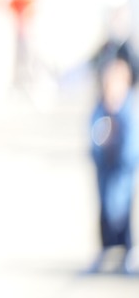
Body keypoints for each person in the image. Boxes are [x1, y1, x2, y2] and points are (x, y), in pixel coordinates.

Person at [87, 30, 139, 275]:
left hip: (122, 170)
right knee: (105, 212)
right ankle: (107, 249)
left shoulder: (128, 111)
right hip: (105, 170)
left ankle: (129, 249)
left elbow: (131, 146)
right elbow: (94, 137)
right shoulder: (101, 110)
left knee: (125, 208)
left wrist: (122, 157)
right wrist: (99, 151)